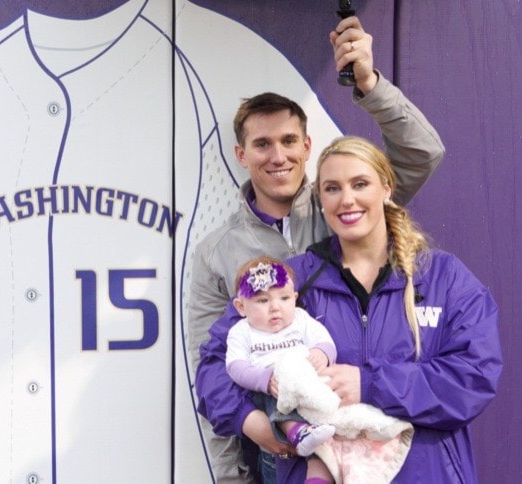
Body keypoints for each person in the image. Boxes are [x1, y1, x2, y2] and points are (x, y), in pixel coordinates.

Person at [187, 15, 445, 483]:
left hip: (369, 427)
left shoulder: (345, 206)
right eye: (262, 144)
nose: (278, 155)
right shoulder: (214, 253)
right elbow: (211, 368)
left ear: (307, 145)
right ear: (241, 155)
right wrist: (241, 449)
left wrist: (367, 83)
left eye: (289, 141)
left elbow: (423, 154)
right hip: (286, 448)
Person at [197, 135, 503, 482]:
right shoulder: (292, 281)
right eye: (332, 188)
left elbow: (473, 378)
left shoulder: (443, 279)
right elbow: (214, 363)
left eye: (360, 184)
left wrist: (370, 384)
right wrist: (249, 420)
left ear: (386, 189)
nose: (347, 200)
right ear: (321, 201)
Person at [226, 256, 337, 484]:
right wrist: (265, 380)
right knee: (271, 399)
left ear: (295, 298)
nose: (275, 307)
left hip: (307, 385)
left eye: (284, 298)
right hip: (272, 390)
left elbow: (325, 342)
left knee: (324, 440)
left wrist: (322, 354)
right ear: (241, 306)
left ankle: (317, 478)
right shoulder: (241, 332)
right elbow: (235, 367)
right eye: (262, 300)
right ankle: (294, 429)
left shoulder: (301, 320)